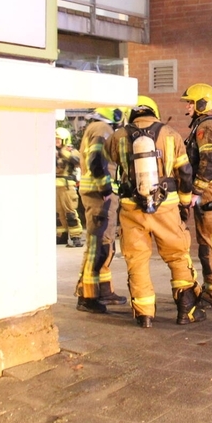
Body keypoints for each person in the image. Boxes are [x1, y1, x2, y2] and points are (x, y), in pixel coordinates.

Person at [108, 95, 205, 328]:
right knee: (177, 255)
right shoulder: (171, 134)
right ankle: (187, 311)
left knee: (137, 260)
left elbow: (110, 166)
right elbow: (185, 172)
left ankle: (144, 315)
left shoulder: (117, 136)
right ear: (155, 112)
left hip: (131, 207)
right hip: (166, 206)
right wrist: (184, 202)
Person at [180, 83, 212, 309]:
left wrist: (196, 192)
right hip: (208, 189)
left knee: (211, 241)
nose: (188, 106)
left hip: (208, 190)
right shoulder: (205, 124)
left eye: (191, 102)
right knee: (207, 240)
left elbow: (209, 161)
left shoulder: (207, 126)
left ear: (202, 103)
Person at [75, 107, 129, 313]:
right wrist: (106, 188)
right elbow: (96, 159)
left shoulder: (98, 127)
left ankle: (104, 290)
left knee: (106, 244)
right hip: (100, 196)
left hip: (99, 195)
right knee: (97, 246)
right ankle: (87, 297)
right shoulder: (102, 129)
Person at [55, 127, 85, 247]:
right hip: (55, 186)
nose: (56, 141)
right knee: (58, 214)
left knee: (70, 213)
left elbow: (79, 162)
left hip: (67, 186)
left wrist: (65, 154)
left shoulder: (70, 150)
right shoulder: (52, 151)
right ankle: (61, 236)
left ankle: (76, 236)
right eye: (55, 139)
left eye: (58, 139)